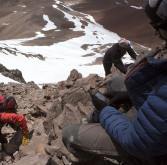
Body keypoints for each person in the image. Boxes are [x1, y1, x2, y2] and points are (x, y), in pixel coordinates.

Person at [62, 0, 167, 164]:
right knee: (114, 81)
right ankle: (93, 118)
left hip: (149, 146)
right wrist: (128, 94)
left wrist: (105, 111)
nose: (155, 33)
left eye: (157, 26)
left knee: (69, 133)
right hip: (108, 61)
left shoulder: (125, 47)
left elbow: (136, 141)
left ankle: (95, 124)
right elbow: (112, 61)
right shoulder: (114, 50)